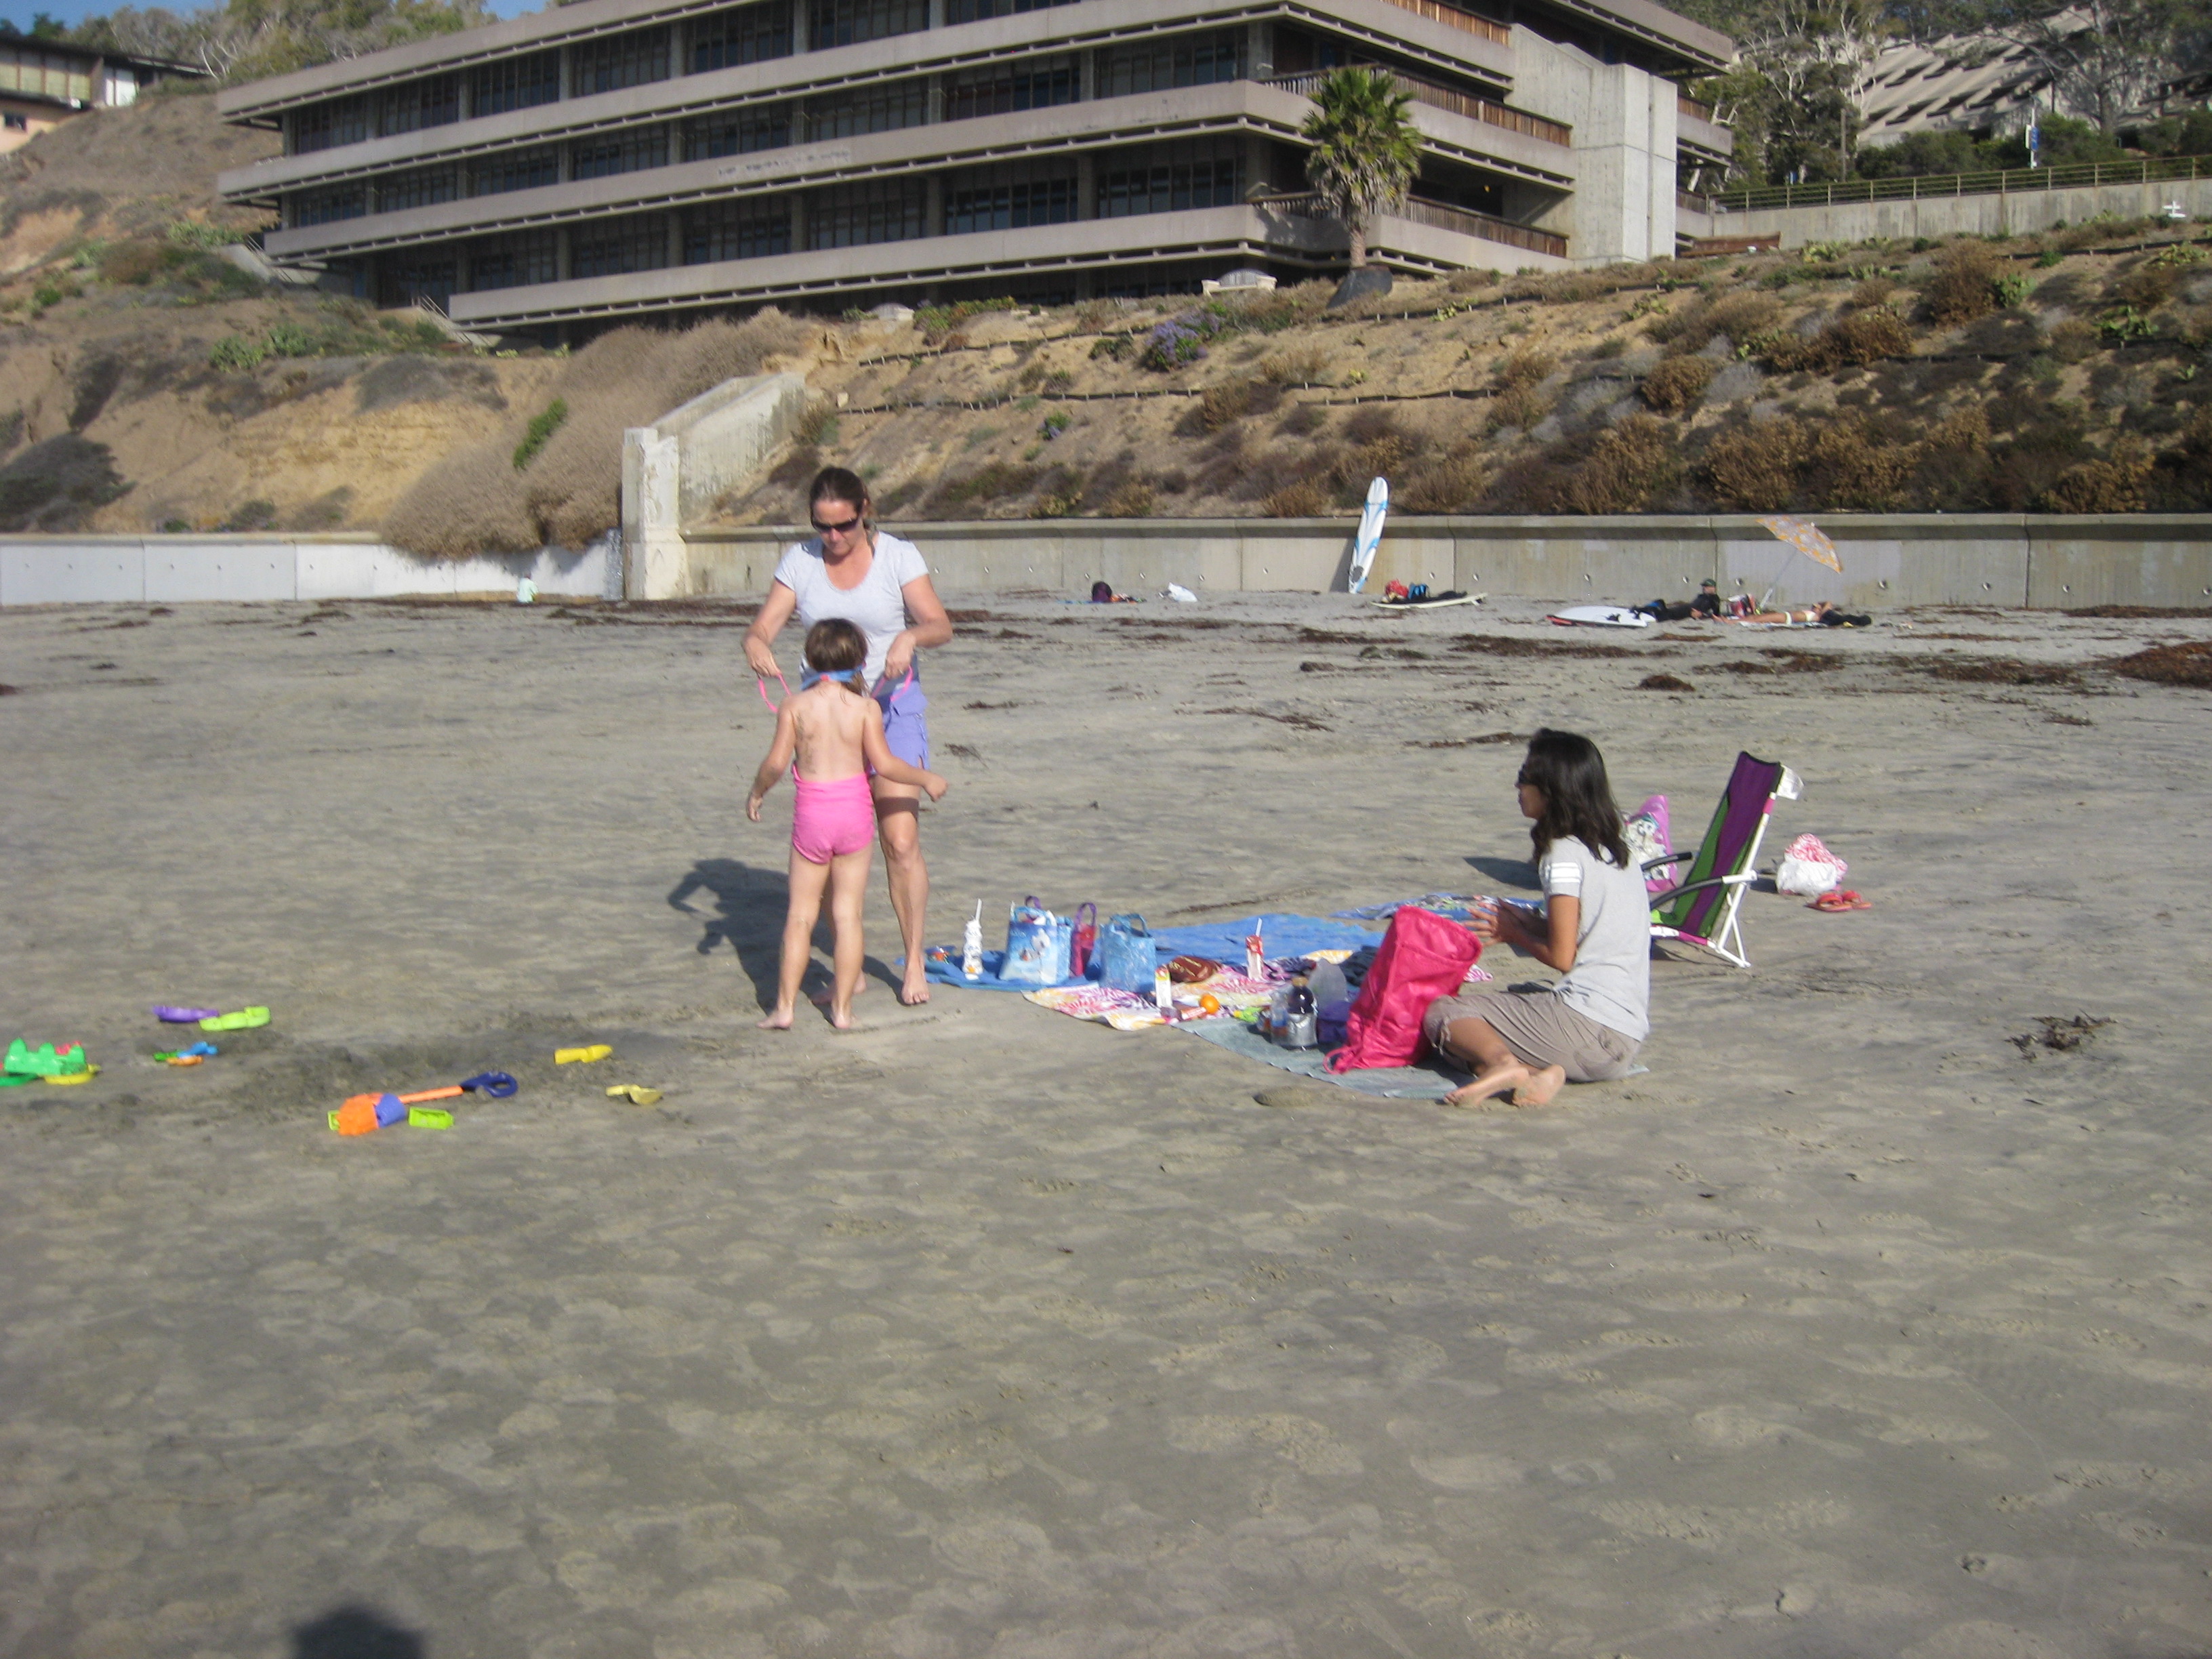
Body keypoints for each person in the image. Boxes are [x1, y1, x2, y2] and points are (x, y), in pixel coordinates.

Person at [744, 466, 954, 1006]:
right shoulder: (801, 561)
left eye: (844, 525)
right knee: (836, 841)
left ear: (865, 510)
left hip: (891, 706)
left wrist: (910, 636)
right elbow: (763, 625)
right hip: (830, 717)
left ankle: (913, 962)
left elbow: (940, 624)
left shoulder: (898, 557)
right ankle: (849, 969)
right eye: (823, 526)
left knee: (899, 840)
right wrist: (756, 642)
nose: (833, 537)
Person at [1425, 729, 1650, 1107]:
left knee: (1443, 1012)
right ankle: (1538, 1075)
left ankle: (1504, 1065)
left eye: (1525, 777)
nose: (1518, 786)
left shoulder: (1562, 855)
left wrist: (1516, 933)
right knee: (1523, 994)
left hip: (1589, 1029)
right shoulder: (1615, 849)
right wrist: (1529, 922)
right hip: (1622, 1042)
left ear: (1551, 788)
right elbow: (1593, 935)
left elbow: (1563, 957)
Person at [747, 619, 947, 1030]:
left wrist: (757, 792)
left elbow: (775, 764)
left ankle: (784, 1008)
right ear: (860, 660)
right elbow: (886, 764)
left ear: (809, 659)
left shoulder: (795, 706)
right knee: (848, 915)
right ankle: (842, 1010)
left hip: (813, 818)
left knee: (800, 916)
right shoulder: (866, 708)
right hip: (853, 818)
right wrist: (926, 778)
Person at [1634, 578, 1721, 623]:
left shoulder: (1714, 599)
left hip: (1687, 612)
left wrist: (1702, 615)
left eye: (1706, 586)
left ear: (1713, 588)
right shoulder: (1702, 596)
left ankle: (1639, 611)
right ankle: (1640, 609)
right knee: (1660, 603)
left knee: (1662, 610)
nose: (1704, 588)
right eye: (1704, 586)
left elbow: (1715, 613)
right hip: (1685, 609)